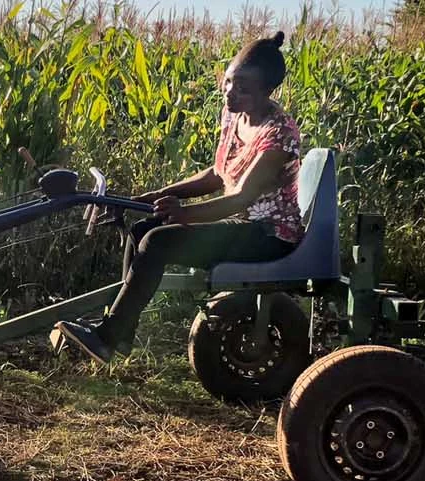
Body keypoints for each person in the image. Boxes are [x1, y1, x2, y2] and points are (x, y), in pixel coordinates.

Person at [54, 31, 304, 363]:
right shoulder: (236, 116)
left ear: (267, 92)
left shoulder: (278, 134)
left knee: (158, 242)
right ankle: (120, 334)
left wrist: (185, 213)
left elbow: (241, 198)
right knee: (142, 230)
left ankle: (106, 337)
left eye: (243, 89)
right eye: (228, 82)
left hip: (268, 234)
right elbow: (217, 174)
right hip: (240, 223)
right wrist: (165, 194)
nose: (230, 94)